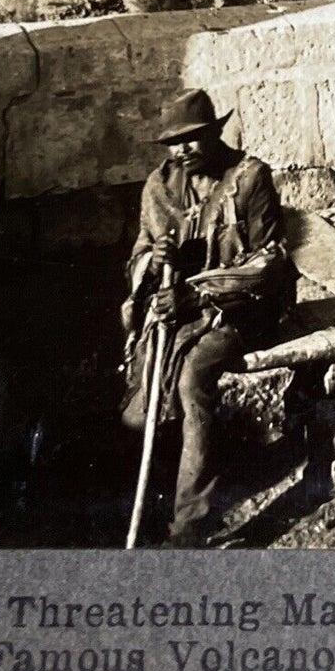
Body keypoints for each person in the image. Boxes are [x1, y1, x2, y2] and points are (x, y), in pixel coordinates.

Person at [120, 88, 297, 546]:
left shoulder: (250, 178)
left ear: (215, 133)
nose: (183, 150)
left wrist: (197, 299)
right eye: (174, 143)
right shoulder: (160, 187)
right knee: (147, 379)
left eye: (193, 138)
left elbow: (269, 264)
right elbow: (137, 257)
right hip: (181, 308)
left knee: (192, 376)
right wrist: (155, 262)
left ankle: (189, 528)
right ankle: (161, 487)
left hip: (245, 309)